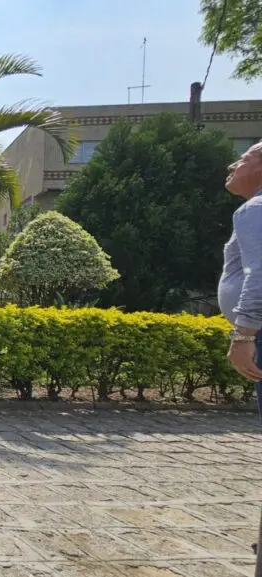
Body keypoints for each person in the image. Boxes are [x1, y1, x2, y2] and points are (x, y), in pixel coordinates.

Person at [217, 139, 262, 569]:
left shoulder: (255, 209)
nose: (233, 164)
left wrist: (244, 333)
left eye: (244, 157)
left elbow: (261, 273)